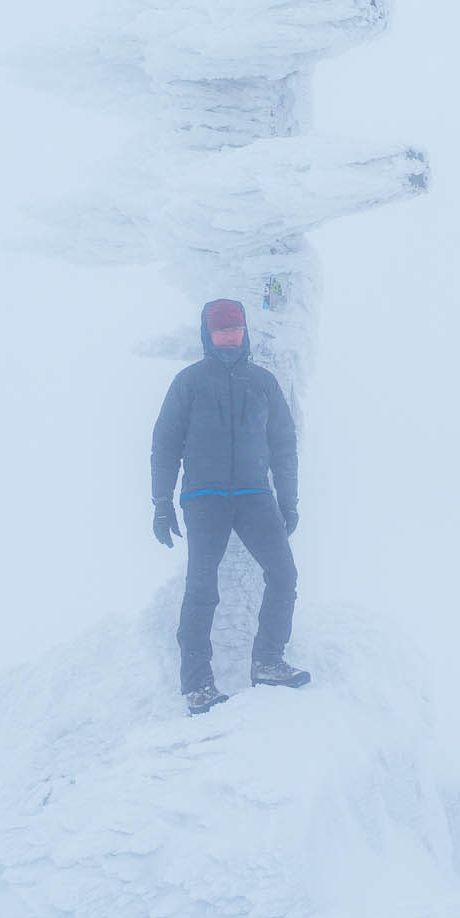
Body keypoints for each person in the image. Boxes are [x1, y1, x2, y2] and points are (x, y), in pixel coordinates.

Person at [150, 298, 310, 714]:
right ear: (208, 334)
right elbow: (165, 445)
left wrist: (288, 500)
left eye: (235, 330)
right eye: (221, 331)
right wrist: (161, 502)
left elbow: (283, 444)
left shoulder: (263, 382)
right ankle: (197, 685)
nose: (229, 338)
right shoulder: (188, 383)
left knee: (284, 573)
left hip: (255, 495)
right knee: (202, 586)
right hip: (204, 497)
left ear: (245, 332)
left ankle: (268, 661)